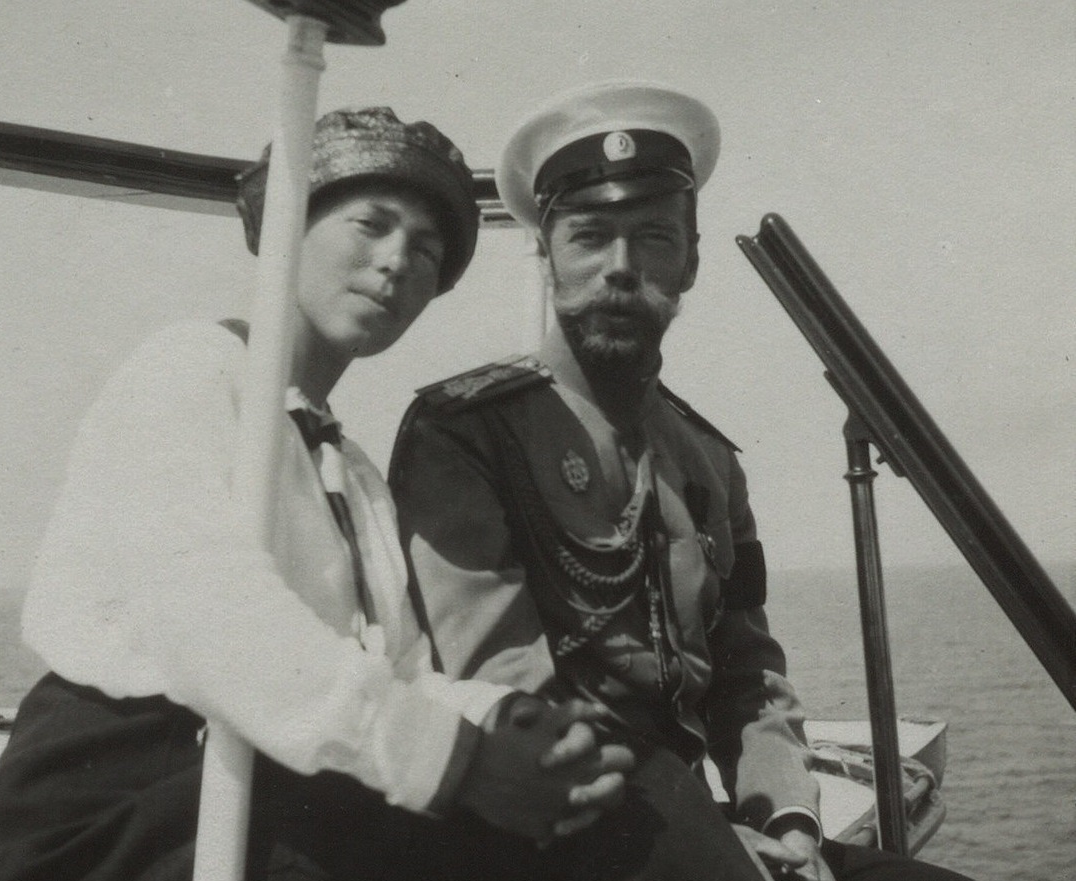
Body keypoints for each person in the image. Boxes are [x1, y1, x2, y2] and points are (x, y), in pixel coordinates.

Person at [0, 106, 635, 881]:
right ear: (288, 233)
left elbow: (403, 673)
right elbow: (211, 620)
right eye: (370, 226)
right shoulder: (191, 371)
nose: (396, 263)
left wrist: (512, 724)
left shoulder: (350, 470)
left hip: (261, 786)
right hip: (109, 811)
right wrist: (456, 762)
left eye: (426, 250)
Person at [390, 81, 976, 881]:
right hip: (548, 829)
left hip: (691, 830)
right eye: (590, 237)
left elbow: (750, 676)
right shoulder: (465, 433)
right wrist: (704, 842)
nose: (620, 269)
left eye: (654, 238)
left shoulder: (708, 460)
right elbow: (505, 689)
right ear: (548, 255)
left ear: (691, 259)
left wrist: (790, 824)